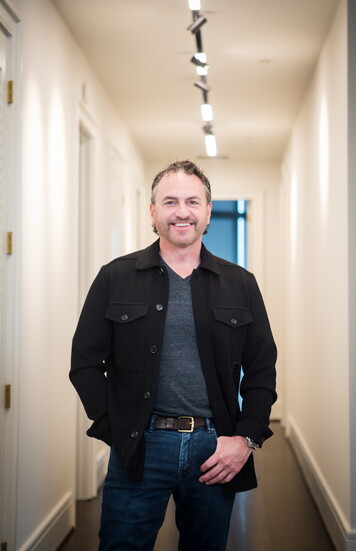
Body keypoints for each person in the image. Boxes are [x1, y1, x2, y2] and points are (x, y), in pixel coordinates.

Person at [70, 159, 277, 551]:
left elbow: (262, 368)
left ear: (208, 211)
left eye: (192, 201)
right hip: (140, 446)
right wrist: (116, 428)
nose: (182, 212)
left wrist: (245, 439)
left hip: (214, 449)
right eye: (169, 202)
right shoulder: (115, 276)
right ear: (153, 212)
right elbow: (84, 363)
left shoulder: (240, 284)